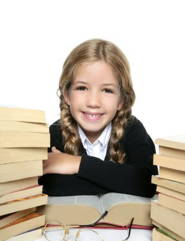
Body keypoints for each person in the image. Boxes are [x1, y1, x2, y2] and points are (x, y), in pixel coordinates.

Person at [38, 38, 158, 198]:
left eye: (107, 90)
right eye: (82, 88)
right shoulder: (53, 134)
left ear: (121, 100)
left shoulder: (132, 129)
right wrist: (119, 178)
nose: (93, 102)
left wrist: (76, 164)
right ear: (67, 95)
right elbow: (49, 186)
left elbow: (147, 184)